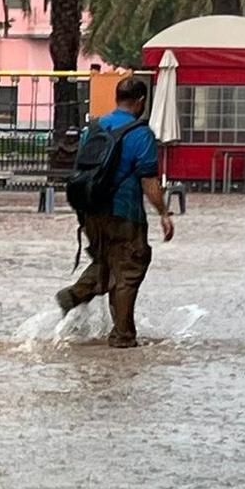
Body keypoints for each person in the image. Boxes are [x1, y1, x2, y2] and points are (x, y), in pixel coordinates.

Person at [57, 77, 174, 348]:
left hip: (90, 212)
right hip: (124, 213)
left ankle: (73, 296)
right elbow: (148, 180)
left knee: (107, 262)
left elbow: (81, 169)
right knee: (129, 270)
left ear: (116, 97)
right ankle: (123, 337)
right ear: (141, 101)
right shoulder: (140, 134)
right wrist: (164, 213)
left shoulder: (95, 127)